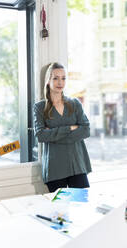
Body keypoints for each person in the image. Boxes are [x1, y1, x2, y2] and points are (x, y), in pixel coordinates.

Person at [33, 62, 92, 192]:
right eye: (55, 78)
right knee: (59, 211)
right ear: (48, 81)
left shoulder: (74, 103)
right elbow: (40, 135)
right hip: (55, 168)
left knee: (82, 207)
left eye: (63, 78)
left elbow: (86, 130)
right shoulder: (40, 107)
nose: (60, 82)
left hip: (76, 165)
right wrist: (70, 128)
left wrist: (53, 136)